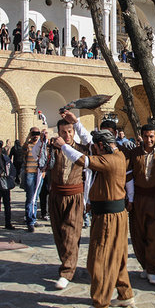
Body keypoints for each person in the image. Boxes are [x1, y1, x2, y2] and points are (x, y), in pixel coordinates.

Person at [53, 130, 134, 308]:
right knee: (117, 258)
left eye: (96, 147)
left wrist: (63, 146)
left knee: (100, 260)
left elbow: (83, 160)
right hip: (109, 215)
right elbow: (90, 150)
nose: (94, 150)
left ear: (101, 146)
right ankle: (125, 294)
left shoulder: (110, 160)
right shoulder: (117, 154)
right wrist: (76, 123)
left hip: (109, 218)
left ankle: (100, 303)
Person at [126, 124, 155, 285]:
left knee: (154, 235)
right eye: (146, 136)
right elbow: (129, 177)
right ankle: (144, 265)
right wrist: (130, 199)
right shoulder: (134, 153)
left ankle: (152, 268)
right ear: (141, 137)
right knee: (138, 234)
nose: (149, 139)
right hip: (139, 198)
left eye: (152, 136)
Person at [46, 119, 89, 290]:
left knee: (71, 232)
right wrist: (43, 141)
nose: (67, 135)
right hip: (56, 195)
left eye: (70, 131)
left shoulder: (81, 150)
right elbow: (36, 156)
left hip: (75, 197)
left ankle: (67, 271)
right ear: (58, 132)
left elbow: (90, 143)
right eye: (63, 132)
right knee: (59, 233)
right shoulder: (52, 150)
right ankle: (66, 261)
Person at [23, 127, 44, 232]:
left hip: (39, 173)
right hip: (30, 173)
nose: (36, 135)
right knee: (30, 198)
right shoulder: (27, 145)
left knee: (35, 198)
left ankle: (33, 218)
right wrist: (28, 137)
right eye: (34, 133)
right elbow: (21, 151)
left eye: (37, 133)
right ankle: (29, 221)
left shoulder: (41, 145)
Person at [0, 141, 16, 230]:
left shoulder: (5, 158)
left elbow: (12, 169)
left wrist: (11, 178)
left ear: (0, 149)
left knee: (7, 205)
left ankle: (8, 223)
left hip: (5, 183)